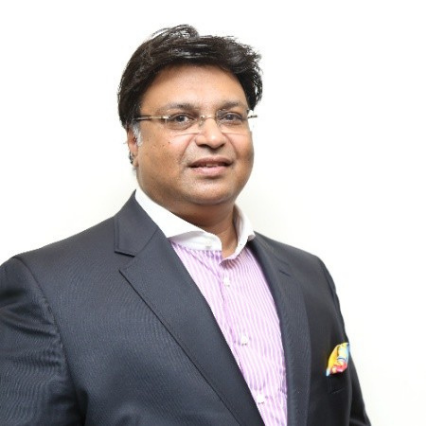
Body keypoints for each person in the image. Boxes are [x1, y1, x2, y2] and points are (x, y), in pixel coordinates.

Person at [0, 25, 370, 426]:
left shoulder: (308, 274)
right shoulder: (46, 288)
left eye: (230, 116)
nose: (212, 136)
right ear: (133, 140)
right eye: (180, 118)